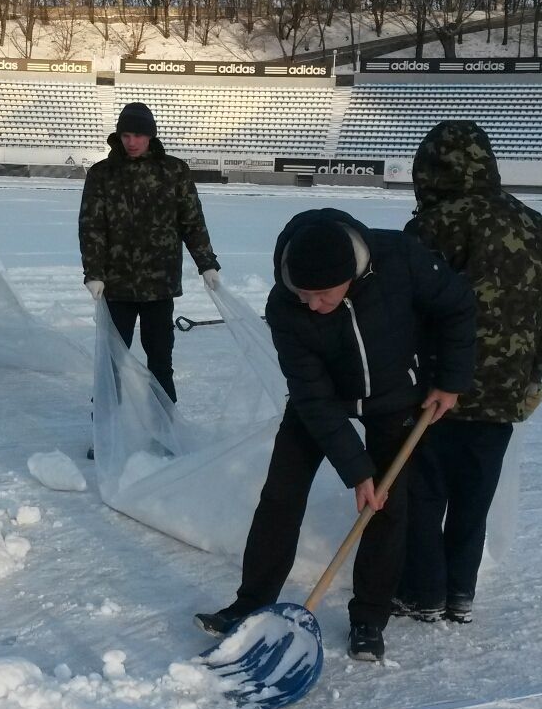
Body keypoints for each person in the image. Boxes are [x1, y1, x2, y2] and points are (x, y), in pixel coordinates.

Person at [196, 209, 476, 662]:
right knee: (281, 495)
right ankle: (250, 605)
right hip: (321, 400)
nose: (311, 305)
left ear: (352, 275)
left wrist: (451, 379)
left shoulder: (400, 258)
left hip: (395, 396)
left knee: (386, 507)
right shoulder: (284, 305)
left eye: (321, 295)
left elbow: (457, 304)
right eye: (303, 294)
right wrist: (357, 469)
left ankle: (369, 620)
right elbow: (311, 396)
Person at [395, 120, 542, 624]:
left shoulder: (434, 226)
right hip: (506, 390)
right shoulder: (533, 224)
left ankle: (422, 592)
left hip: (437, 385)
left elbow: (408, 308)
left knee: (424, 491)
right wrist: (534, 380)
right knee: (473, 496)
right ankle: (461, 593)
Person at [78, 101, 220, 405]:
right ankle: (105, 430)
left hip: (160, 284)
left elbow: (191, 220)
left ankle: (165, 429)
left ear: (151, 137)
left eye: (139, 136)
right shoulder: (102, 174)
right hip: (116, 287)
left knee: (160, 363)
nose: (132, 142)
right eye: (126, 135)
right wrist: (94, 272)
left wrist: (206, 262)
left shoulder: (173, 171)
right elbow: (91, 227)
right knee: (110, 363)